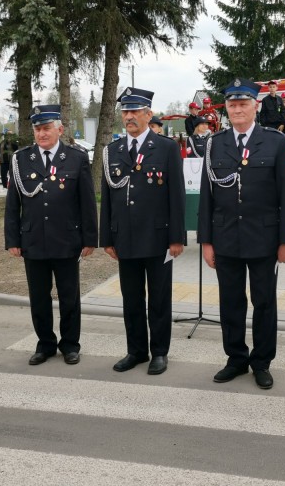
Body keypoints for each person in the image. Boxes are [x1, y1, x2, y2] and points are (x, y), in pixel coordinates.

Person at [198, 78, 285, 390]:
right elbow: (206, 197)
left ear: (255, 105)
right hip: (226, 237)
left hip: (264, 239)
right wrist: (206, 241)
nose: (238, 109)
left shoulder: (275, 142)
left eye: (244, 103)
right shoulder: (216, 143)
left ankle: (262, 362)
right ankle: (236, 358)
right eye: (232, 104)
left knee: (264, 302)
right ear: (226, 109)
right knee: (231, 301)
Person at [100, 87, 186, 376]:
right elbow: (107, 197)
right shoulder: (112, 151)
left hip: (159, 238)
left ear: (149, 115)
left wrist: (177, 237)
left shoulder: (166, 148)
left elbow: (177, 195)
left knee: (159, 299)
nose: (129, 116)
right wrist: (107, 238)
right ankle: (136, 350)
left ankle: (159, 352)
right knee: (131, 298)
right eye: (125, 111)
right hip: (125, 238)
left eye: (135, 111)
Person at [5, 105, 98, 366]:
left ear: (59, 129)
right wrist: (12, 240)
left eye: (46, 128)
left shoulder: (76, 157)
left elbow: (87, 201)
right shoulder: (21, 159)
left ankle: (70, 344)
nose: (42, 134)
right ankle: (45, 344)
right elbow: (13, 204)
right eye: (37, 129)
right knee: (38, 297)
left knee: (69, 297)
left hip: (67, 239)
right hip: (33, 239)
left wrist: (90, 238)